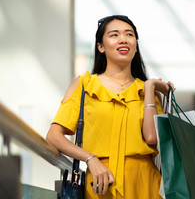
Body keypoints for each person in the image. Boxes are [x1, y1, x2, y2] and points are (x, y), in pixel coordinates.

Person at [46, 15, 174, 199]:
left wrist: (149, 88)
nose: (123, 39)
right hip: (101, 185)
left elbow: (151, 138)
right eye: (114, 35)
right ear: (101, 46)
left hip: (146, 185)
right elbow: (53, 136)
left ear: (136, 45)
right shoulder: (84, 85)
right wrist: (90, 159)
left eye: (129, 34)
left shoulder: (147, 90)